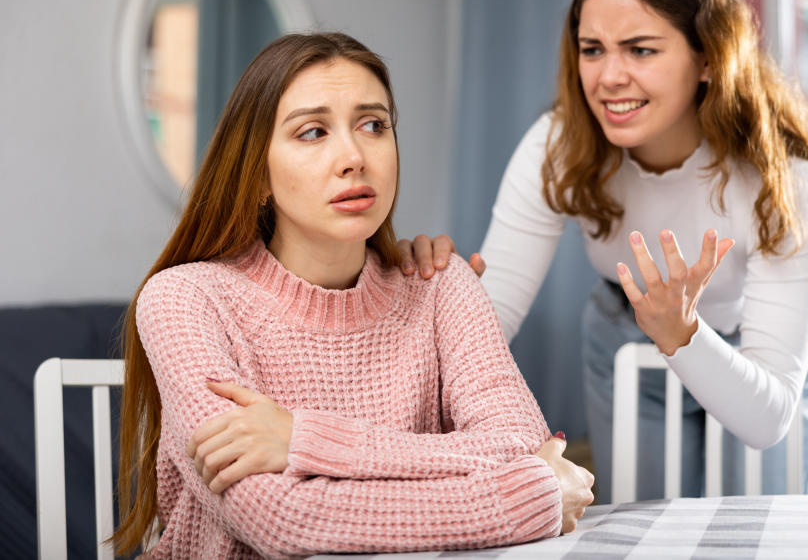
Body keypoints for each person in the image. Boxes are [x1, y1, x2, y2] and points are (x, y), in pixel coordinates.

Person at [401, 0, 808, 502]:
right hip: (628, 338)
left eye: (640, 50)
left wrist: (683, 334)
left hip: (757, 350)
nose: (609, 77)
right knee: (647, 528)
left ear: (708, 57)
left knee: (755, 533)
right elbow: (489, 322)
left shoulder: (784, 180)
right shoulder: (558, 146)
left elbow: (767, 421)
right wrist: (428, 301)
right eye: (593, 49)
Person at [111, 32, 594, 557]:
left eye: (373, 125)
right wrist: (527, 499)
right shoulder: (184, 300)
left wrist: (304, 441)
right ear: (257, 175)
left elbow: (520, 444)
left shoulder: (439, 284)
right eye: (313, 132)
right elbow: (281, 521)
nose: (353, 156)